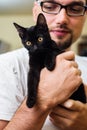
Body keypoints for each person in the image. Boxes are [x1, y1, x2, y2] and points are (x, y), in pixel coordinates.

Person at [0, 0, 87, 130]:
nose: (62, 19)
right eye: (50, 7)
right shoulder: (5, 65)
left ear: (85, 15)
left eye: (75, 9)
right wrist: (44, 96)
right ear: (35, 11)